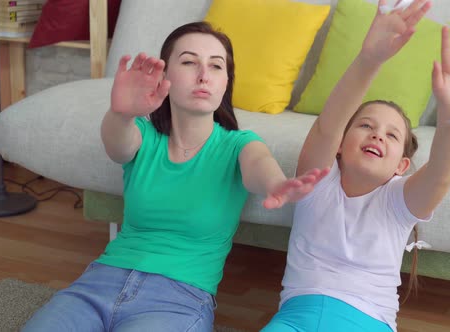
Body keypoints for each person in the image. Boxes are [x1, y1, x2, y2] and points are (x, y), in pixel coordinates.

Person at [22, 22, 329, 332]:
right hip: (98, 283)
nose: (203, 74)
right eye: (189, 61)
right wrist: (121, 113)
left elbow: (259, 166)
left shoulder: (239, 145)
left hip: (178, 297)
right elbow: (117, 145)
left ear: (226, 83)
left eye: (216, 66)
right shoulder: (143, 136)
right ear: (165, 75)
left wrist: (278, 185)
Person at [260, 0, 450, 331]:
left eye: (391, 134)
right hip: (296, 318)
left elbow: (441, 174)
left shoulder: (398, 203)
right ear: (340, 145)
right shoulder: (316, 181)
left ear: (402, 165)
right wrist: (369, 58)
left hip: (366, 322)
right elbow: (328, 126)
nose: (377, 136)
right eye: (366, 126)